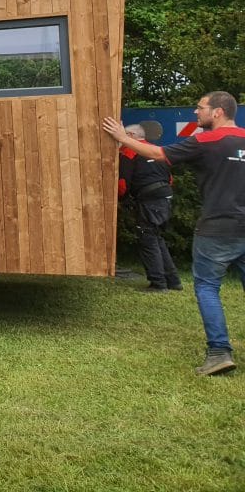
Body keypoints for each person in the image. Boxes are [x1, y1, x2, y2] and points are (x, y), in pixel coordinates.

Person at [103, 91, 245, 376]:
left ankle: (219, 352)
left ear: (217, 112)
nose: (196, 112)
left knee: (207, 287)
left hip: (217, 228)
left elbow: (159, 154)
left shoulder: (205, 141)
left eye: (200, 107)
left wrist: (123, 137)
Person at [117, 124, 182, 292]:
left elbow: (122, 184)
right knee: (157, 238)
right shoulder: (157, 150)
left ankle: (158, 283)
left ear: (130, 135)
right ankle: (173, 281)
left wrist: (120, 200)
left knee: (148, 239)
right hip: (165, 198)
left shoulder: (130, 152)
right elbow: (170, 179)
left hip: (149, 200)